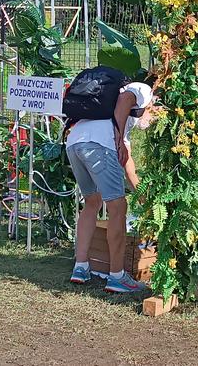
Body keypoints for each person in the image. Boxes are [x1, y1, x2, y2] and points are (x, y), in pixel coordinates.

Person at [66, 81, 153, 293]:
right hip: (99, 146)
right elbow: (125, 101)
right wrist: (117, 138)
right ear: (155, 103)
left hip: (75, 143)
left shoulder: (112, 108)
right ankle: (117, 276)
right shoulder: (143, 90)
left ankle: (81, 267)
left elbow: (129, 169)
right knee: (117, 208)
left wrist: (147, 203)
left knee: (92, 202)